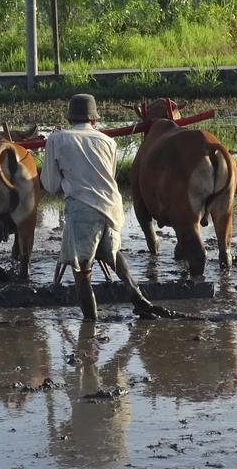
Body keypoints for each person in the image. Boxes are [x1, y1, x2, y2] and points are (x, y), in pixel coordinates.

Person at [41, 93, 173, 321]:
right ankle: (140, 301)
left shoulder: (57, 139)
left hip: (82, 208)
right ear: (94, 120)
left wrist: (67, 181)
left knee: (82, 271)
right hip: (112, 206)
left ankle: (89, 326)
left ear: (70, 119)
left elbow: (51, 185)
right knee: (113, 255)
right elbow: (107, 176)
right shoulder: (108, 141)